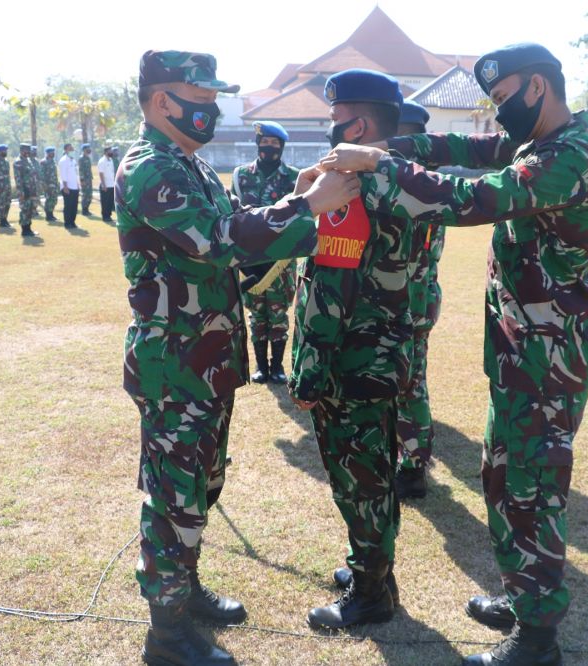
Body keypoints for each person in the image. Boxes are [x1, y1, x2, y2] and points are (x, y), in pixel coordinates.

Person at [319, 42, 588, 666]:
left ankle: (537, 640)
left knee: (530, 481)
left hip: (549, 349)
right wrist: (395, 150)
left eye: (504, 101)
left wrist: (381, 164)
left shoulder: (573, 156)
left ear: (537, 88)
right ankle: (523, 593)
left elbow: (477, 198)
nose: (498, 117)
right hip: (522, 342)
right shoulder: (539, 143)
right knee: (502, 472)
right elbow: (467, 151)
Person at [116, 49, 358, 666]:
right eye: (201, 99)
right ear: (163, 100)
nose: (212, 110)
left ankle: (186, 589)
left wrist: (299, 196)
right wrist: (309, 208)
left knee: (202, 483)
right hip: (176, 364)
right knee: (175, 498)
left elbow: (243, 231)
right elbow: (218, 240)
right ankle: (165, 636)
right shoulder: (150, 168)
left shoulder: (190, 167)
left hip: (209, 356)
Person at [290, 68, 415, 632]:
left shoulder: (348, 186)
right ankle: (375, 571)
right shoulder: (405, 178)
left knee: (357, 479)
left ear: (359, 123)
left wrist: (308, 371)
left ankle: (369, 594)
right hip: (385, 350)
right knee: (377, 473)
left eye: (337, 120)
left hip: (350, 359)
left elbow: (329, 288)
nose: (330, 129)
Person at [392, 99, 445, 500]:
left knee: (409, 387)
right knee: (408, 384)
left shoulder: (418, 185)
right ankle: (408, 459)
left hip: (407, 304)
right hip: (413, 300)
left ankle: (412, 468)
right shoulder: (424, 179)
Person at [230, 120, 300, 384]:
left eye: (274, 144)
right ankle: (260, 367)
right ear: (257, 143)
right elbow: (233, 215)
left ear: (281, 147)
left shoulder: (294, 178)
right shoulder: (240, 175)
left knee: (279, 312)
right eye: (264, 142)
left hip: (281, 260)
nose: (268, 147)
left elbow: (299, 217)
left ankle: (278, 367)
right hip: (250, 259)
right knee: (256, 313)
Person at [13, 144, 39, 237]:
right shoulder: (18, 162)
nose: (28, 152)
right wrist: (21, 192)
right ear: (21, 150)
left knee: (30, 209)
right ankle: (24, 230)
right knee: (25, 210)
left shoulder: (28, 160)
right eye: (26, 151)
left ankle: (29, 228)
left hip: (31, 189)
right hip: (24, 190)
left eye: (28, 151)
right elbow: (18, 179)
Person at [58, 143, 80, 229]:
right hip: (68, 187)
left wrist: (78, 184)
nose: (72, 150)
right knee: (68, 206)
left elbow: (76, 174)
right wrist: (65, 186)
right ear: (66, 150)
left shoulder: (73, 160)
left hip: (75, 186)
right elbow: (63, 175)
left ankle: (72, 222)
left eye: (72, 148)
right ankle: (67, 223)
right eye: (70, 148)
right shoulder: (63, 160)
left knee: (74, 206)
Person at [0, 144, 13, 228]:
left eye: (6, 150)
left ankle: (5, 219)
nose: (5, 152)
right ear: (0, 151)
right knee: (1, 203)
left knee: (7, 203)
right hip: (0, 187)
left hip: (7, 186)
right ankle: (2, 221)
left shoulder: (6, 161)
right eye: (4, 150)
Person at [40, 147, 59, 222]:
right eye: (52, 152)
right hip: (48, 185)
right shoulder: (44, 162)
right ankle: (48, 216)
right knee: (49, 200)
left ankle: (51, 214)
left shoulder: (52, 161)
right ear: (48, 153)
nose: (53, 154)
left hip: (54, 183)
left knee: (54, 199)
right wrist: (44, 185)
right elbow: (41, 175)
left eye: (53, 152)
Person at [97, 146, 116, 222]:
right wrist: (103, 184)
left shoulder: (111, 160)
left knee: (110, 202)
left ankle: (109, 215)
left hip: (111, 184)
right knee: (105, 202)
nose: (111, 152)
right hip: (105, 185)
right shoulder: (102, 161)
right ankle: (105, 216)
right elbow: (101, 173)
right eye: (110, 151)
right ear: (105, 152)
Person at [78, 143, 94, 216]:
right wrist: (82, 180)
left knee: (89, 194)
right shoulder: (81, 158)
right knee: (85, 195)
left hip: (89, 179)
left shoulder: (88, 158)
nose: (89, 150)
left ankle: (87, 208)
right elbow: (80, 170)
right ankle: (84, 210)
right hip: (84, 180)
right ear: (84, 150)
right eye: (88, 148)